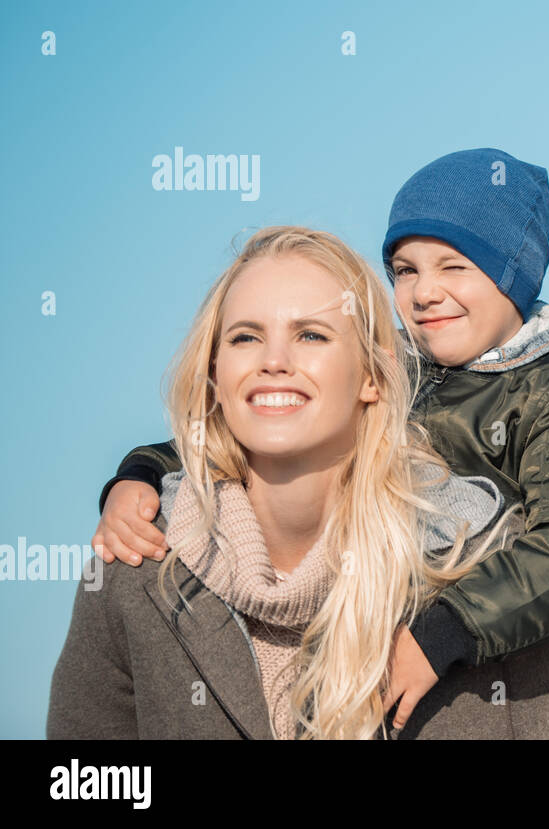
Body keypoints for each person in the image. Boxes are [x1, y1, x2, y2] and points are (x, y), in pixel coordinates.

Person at [88, 149, 549, 737]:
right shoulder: (388, 365)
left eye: (453, 267)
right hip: (368, 612)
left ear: (512, 276)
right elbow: (260, 427)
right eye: (404, 270)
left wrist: (447, 631)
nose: (423, 292)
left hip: (502, 659)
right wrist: (141, 474)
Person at [49, 227, 514, 738]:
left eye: (310, 335)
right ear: (215, 375)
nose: (273, 362)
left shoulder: (476, 561)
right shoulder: (138, 561)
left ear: (372, 376)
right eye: (245, 337)